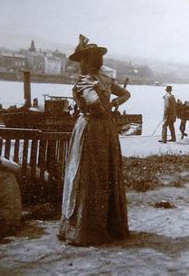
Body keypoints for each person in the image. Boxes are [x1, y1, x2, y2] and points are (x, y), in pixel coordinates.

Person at [58, 34, 130, 246]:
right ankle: (109, 225)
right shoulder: (106, 79)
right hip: (107, 129)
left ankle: (84, 228)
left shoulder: (85, 80)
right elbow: (126, 93)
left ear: (87, 61)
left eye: (83, 60)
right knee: (104, 172)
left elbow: (93, 102)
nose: (81, 64)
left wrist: (99, 105)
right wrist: (114, 103)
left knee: (86, 173)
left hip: (90, 129)